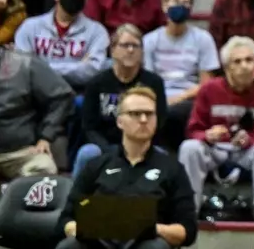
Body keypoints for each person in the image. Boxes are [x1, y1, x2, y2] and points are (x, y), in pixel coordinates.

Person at [58, 85, 197, 249]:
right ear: (120, 121)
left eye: (149, 114)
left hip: (146, 243)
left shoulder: (173, 169)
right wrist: (78, 229)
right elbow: (66, 219)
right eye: (135, 114)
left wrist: (152, 228)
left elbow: (188, 231)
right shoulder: (96, 165)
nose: (144, 119)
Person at [178, 36, 254, 222]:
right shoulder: (209, 89)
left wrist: (251, 140)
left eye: (249, 60)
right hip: (215, 149)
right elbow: (193, 130)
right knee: (189, 147)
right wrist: (207, 135)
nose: (245, 66)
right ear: (227, 67)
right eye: (238, 61)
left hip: (249, 151)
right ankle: (188, 210)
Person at [77, 24, 164, 178]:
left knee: (163, 156)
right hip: (105, 146)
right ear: (113, 50)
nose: (130, 50)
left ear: (142, 52)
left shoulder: (154, 83)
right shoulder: (96, 83)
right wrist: (110, 150)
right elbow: (89, 128)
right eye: (125, 45)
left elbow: (160, 122)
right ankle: (76, 200)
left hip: (143, 144)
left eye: (135, 46)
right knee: (87, 153)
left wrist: (139, 147)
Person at [143, 0, 219, 150]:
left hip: (190, 98)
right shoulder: (149, 40)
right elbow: (147, 81)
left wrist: (177, 99)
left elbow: (206, 84)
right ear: (164, 6)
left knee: (174, 113)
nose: (181, 7)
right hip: (156, 97)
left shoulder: (203, 39)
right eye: (176, 1)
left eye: (186, 3)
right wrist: (162, 99)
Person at [15, 0, 107, 91]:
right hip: (36, 93)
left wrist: (40, 67)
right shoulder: (30, 27)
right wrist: (78, 66)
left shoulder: (97, 31)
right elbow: (23, 68)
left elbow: (92, 71)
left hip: (78, 92)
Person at [0, 37, 71, 187]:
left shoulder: (24, 63)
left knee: (44, 171)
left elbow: (62, 96)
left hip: (21, 152)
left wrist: (46, 136)